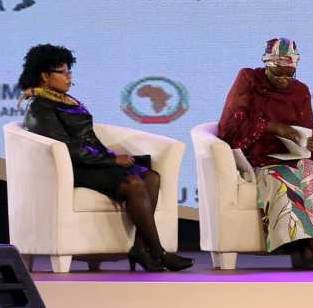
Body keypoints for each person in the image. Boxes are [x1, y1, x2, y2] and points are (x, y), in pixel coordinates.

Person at [18, 44, 191, 272]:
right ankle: (158, 253)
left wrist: (111, 157)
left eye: (70, 71)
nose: (69, 77)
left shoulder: (63, 99)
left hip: (93, 161)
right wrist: (112, 161)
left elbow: (87, 139)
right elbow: (67, 149)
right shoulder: (40, 107)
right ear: (44, 75)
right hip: (74, 168)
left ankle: (140, 249)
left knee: (152, 177)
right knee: (134, 183)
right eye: (63, 72)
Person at [216, 38, 313, 270]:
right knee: (283, 183)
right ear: (267, 64)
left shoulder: (300, 90)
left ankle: (305, 250)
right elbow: (229, 127)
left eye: (289, 73)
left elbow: (308, 127)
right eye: (278, 73)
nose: (284, 79)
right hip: (258, 157)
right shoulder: (249, 79)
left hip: (292, 156)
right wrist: (271, 127)